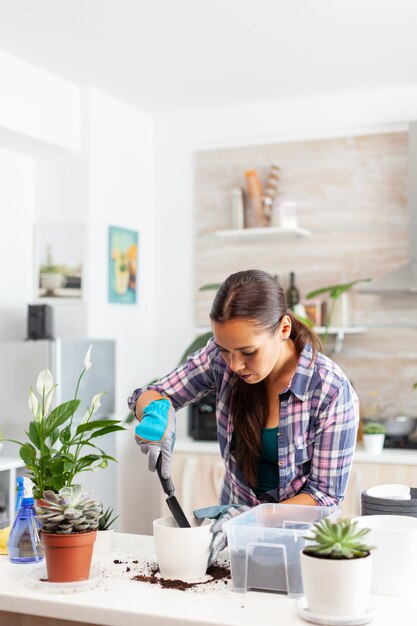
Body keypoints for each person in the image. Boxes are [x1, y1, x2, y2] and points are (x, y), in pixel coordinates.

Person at [128, 269, 359, 562]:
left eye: (248, 352)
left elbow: (324, 497)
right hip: (234, 545)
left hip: (302, 550)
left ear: (283, 329)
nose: (235, 365)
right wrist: (156, 413)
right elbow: (154, 393)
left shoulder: (330, 389)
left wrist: (249, 521)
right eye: (225, 350)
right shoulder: (220, 359)